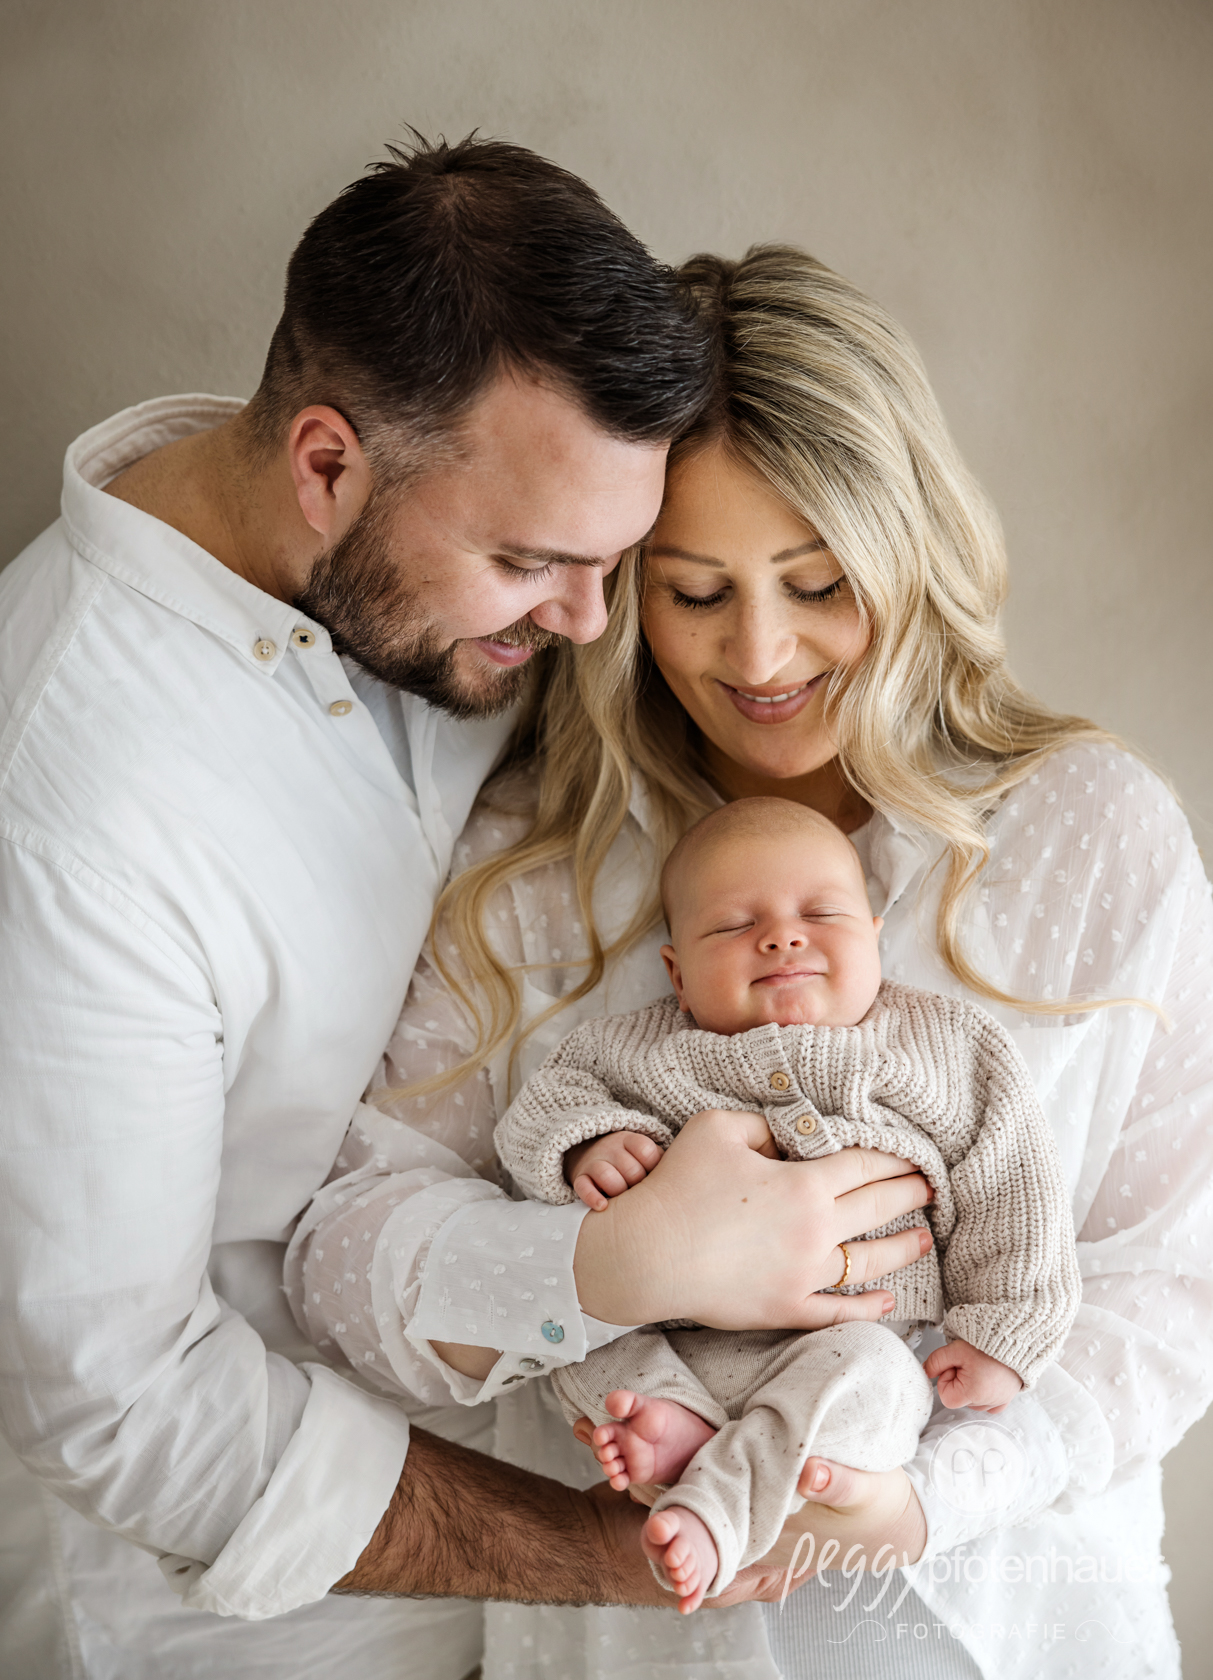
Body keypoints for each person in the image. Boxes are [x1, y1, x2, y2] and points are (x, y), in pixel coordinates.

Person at [289, 244, 1213, 1679]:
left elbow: (1170, 1290)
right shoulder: (542, 855)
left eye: (816, 580)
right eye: (695, 590)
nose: (762, 654)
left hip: (1004, 1628)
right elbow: (340, 1255)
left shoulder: (1092, 836)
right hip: (632, 1641)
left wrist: (918, 1501)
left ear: (908, 550)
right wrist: (602, 1264)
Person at [0, 132, 743, 1680]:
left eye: (614, 563)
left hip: (538, 1497)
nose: (590, 623)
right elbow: (118, 1401)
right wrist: (616, 1561)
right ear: (325, 464)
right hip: (227, 1616)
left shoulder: (411, 566)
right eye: (538, 564)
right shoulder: (71, 805)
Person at [488, 797, 1081, 1612]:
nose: (779, 937)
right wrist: (589, 1144)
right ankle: (683, 1430)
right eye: (733, 926)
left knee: (879, 1385)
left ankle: (710, 1498)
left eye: (820, 913)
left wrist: (1004, 1331)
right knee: (576, 1344)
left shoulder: (945, 1047)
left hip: (851, 1343)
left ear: (873, 934)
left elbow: (1011, 1183)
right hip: (669, 1338)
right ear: (677, 975)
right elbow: (537, 1115)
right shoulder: (633, 1050)